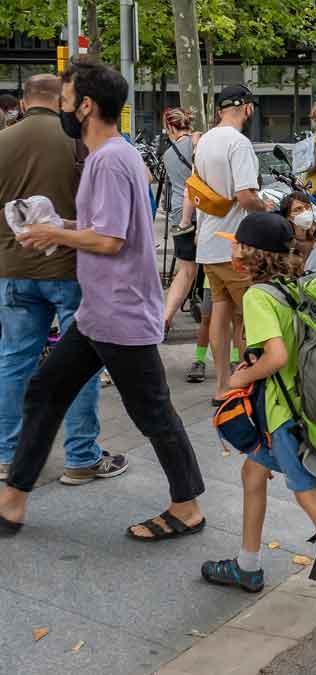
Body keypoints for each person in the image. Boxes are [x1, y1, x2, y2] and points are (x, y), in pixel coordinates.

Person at [0, 57, 205, 540]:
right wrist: (58, 228)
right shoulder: (110, 155)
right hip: (99, 312)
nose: (64, 109)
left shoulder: (110, 159)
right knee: (46, 391)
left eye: (67, 101)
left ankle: (187, 507)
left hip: (120, 314)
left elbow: (111, 240)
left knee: (153, 413)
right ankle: (12, 501)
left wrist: (59, 232)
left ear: (86, 106)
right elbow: (107, 230)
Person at [197, 211, 316, 610]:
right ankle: (247, 565)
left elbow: (277, 356)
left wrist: (238, 379)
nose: (232, 249)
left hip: (284, 417)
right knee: (253, 470)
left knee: (309, 495)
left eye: (237, 244)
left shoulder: (258, 296)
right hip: (292, 408)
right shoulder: (293, 287)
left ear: (252, 254)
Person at [0, 73, 120, 486]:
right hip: (70, 267)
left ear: (24, 100)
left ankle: (5, 454)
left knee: (14, 360)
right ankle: (81, 456)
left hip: (14, 268)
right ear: (61, 99)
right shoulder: (77, 140)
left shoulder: (3, 139)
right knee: (79, 366)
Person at [193, 84, 275, 405]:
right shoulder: (239, 144)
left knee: (220, 317)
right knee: (251, 318)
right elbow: (245, 196)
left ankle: (222, 387)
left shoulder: (205, 141)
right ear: (247, 108)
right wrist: (265, 206)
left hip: (209, 244)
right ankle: (249, 385)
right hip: (237, 247)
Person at [160, 107, 206, 382]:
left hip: (178, 217)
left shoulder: (167, 154)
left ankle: (165, 317)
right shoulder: (199, 142)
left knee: (185, 271)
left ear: (170, 128)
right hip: (201, 214)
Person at [278, 191, 316, 263]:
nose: (305, 212)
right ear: (288, 217)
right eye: (298, 209)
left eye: (307, 207)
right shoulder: (285, 245)